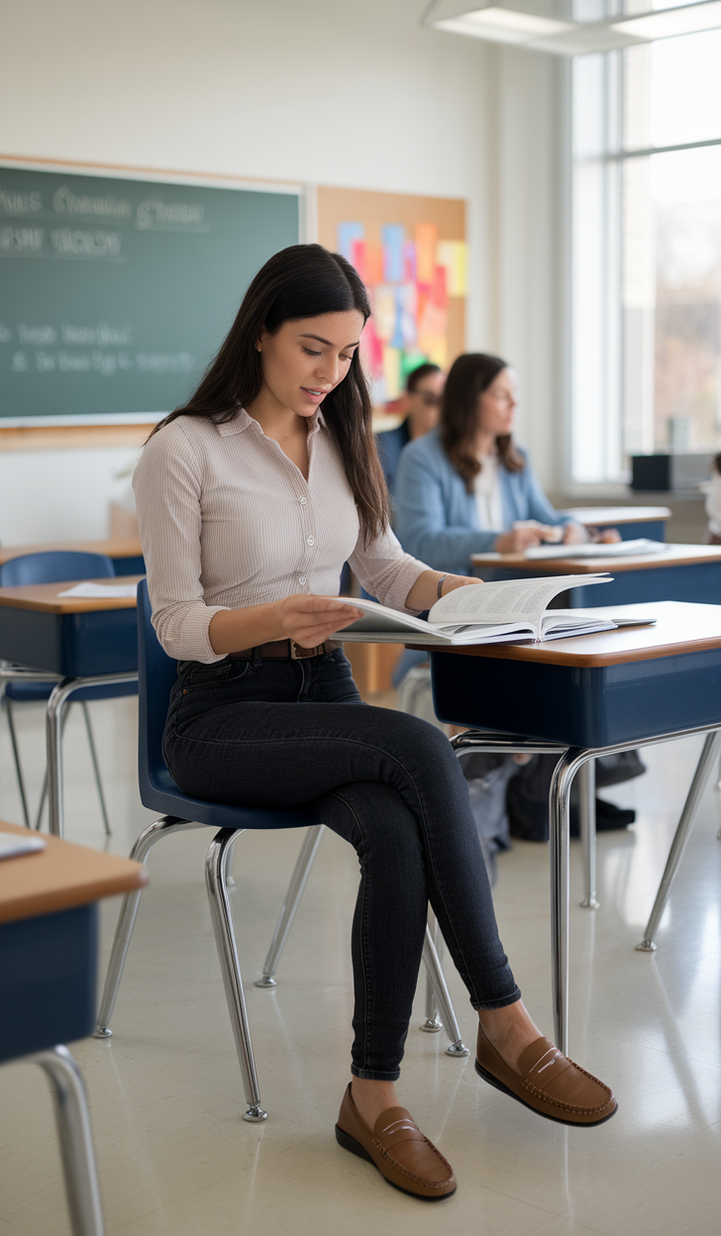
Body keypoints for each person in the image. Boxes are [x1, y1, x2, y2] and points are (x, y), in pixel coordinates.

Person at [133, 245, 616, 1203]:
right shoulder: (184, 449)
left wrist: (466, 593)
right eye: (314, 349)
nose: (330, 373)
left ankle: (373, 1095)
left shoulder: (348, 440)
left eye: (348, 355)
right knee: (425, 744)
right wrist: (276, 617)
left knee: (397, 834)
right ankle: (508, 1024)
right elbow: (176, 625)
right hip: (221, 713)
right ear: (262, 331)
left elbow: (389, 569)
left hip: (327, 698)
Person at [394, 353, 618, 576]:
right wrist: (499, 542)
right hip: (446, 599)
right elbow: (422, 542)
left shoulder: (516, 459)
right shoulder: (420, 457)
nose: (514, 403)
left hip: (509, 593)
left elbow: (546, 519)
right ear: (469, 400)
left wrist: (574, 529)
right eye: (502, 395)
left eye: (515, 393)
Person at [376, 362, 444, 494]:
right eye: (431, 399)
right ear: (408, 399)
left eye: (444, 400)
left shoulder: (452, 450)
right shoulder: (381, 445)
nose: (439, 408)